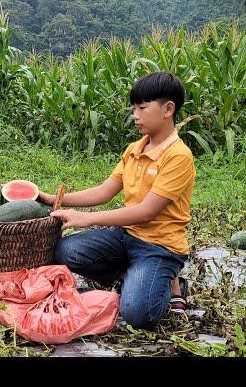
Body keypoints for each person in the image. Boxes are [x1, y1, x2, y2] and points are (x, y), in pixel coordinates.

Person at [40, 72, 196, 329]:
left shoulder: (178, 157)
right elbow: (104, 191)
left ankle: (168, 284)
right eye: (134, 108)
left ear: (168, 109)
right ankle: (132, 276)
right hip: (126, 237)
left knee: (137, 314)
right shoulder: (135, 149)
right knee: (65, 250)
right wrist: (56, 199)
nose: (135, 115)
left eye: (142, 108)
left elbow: (146, 212)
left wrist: (88, 219)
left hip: (159, 246)